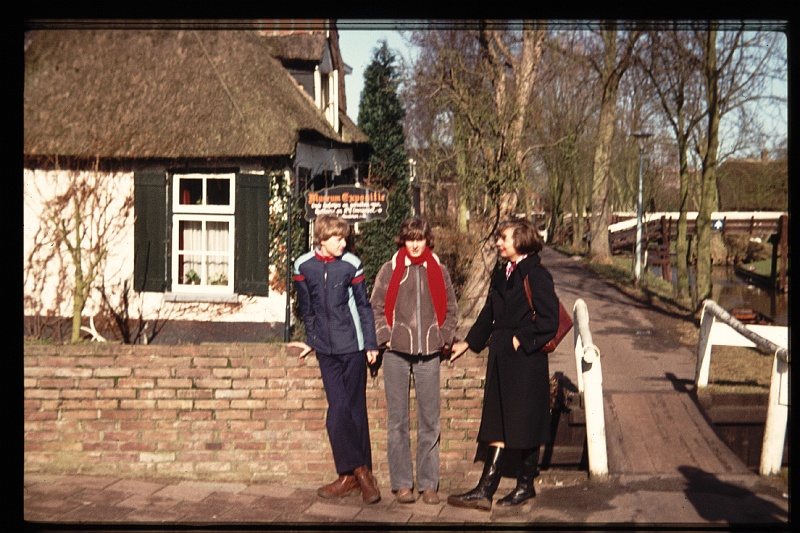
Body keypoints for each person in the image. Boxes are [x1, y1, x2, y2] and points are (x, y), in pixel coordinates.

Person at [446, 219, 559, 511]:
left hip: (525, 362)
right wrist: (470, 342)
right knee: (496, 420)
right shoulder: (502, 273)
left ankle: (525, 486)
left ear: (520, 241)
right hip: (500, 357)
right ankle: (486, 489)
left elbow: (550, 321)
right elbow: (488, 313)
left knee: (525, 421)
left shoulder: (536, 275)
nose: (498, 243)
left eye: (503, 238)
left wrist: (522, 340)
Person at [288, 214, 382, 504]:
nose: (344, 242)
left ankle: (350, 478)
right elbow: (308, 308)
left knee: (355, 410)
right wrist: (311, 342)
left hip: (353, 347)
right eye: (338, 238)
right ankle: (361, 473)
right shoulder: (303, 266)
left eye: (344, 238)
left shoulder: (351, 264)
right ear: (322, 238)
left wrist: (370, 342)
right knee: (338, 410)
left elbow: (364, 307)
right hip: (326, 351)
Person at [370, 217, 458, 505]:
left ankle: (429, 484)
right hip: (395, 353)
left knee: (430, 421)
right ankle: (402, 484)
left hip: (430, 354)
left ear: (427, 240)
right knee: (397, 421)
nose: (415, 244)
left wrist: (442, 337)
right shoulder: (391, 268)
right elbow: (376, 307)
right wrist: (386, 337)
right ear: (403, 240)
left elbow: (452, 309)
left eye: (420, 238)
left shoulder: (439, 270)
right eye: (410, 239)